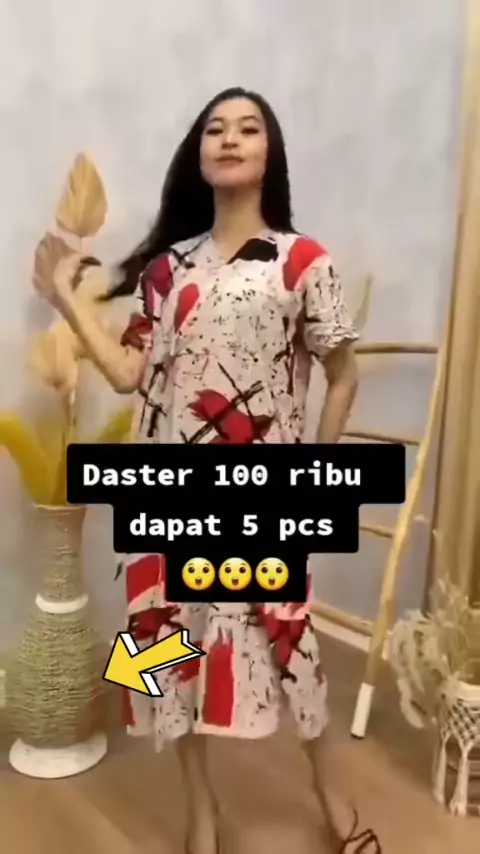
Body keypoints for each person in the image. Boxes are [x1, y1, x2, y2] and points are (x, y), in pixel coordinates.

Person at [45, 88, 380, 853]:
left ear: (269, 152)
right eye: (216, 129)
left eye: (248, 128)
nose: (230, 139)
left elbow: (343, 374)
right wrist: (66, 298)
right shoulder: (166, 271)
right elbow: (128, 374)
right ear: (199, 156)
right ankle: (201, 807)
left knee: (290, 640)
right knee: (163, 647)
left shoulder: (302, 262)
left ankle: (328, 790)